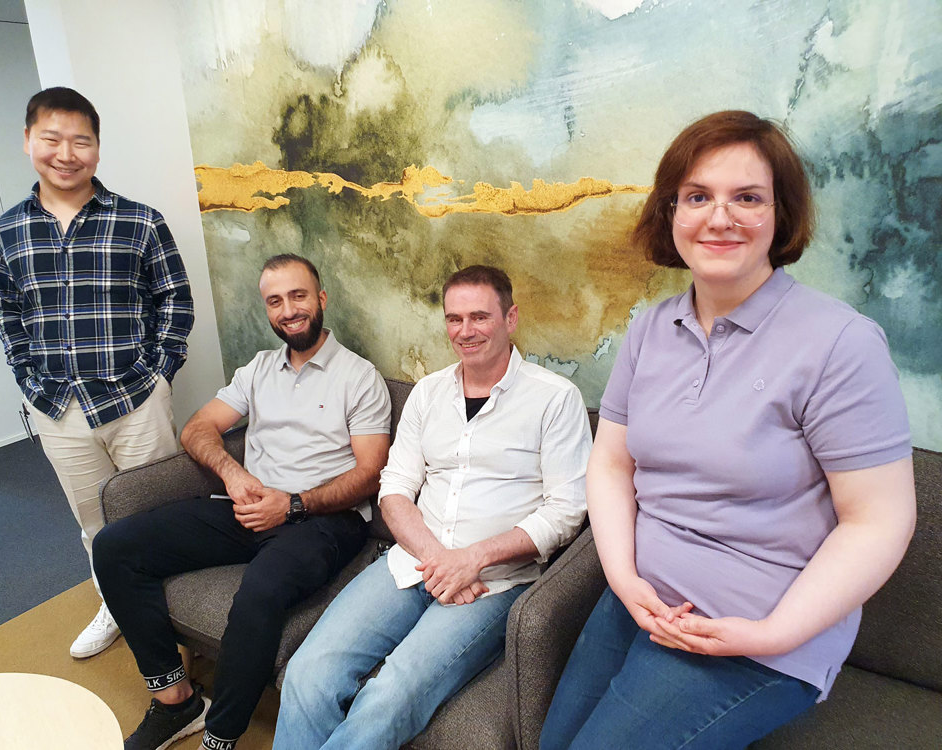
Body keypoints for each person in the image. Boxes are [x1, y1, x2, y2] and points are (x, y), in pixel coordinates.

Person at [540, 110, 916, 749]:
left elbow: (877, 520)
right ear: (670, 214)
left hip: (758, 629)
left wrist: (773, 632)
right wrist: (624, 578)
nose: (720, 218)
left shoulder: (840, 344)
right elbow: (611, 465)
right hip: (643, 599)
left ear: (781, 215)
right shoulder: (650, 329)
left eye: (747, 197)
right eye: (697, 197)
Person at [274, 265, 592, 750]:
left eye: (480, 317)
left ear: (511, 318)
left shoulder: (555, 399)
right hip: (410, 562)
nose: (466, 331)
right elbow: (395, 488)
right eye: (454, 319)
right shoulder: (428, 393)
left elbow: (567, 511)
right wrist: (440, 560)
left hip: (492, 583)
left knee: (392, 695)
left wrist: (471, 559)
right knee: (307, 672)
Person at [93, 253, 391, 750]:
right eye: (275, 301)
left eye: (298, 296)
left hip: (324, 521)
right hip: (247, 506)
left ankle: (220, 736)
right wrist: (233, 474)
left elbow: (369, 474)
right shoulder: (258, 370)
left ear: (320, 299)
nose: (288, 310)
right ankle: (176, 701)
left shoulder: (359, 377)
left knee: (259, 591)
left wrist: (292, 504)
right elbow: (198, 428)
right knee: (116, 546)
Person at [0, 86, 194, 659]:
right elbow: (8, 314)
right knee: (94, 524)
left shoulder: (140, 222)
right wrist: (30, 385)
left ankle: (180, 618)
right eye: (52, 138)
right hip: (56, 407)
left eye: (81, 140)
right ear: (29, 141)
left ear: (97, 148)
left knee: (161, 515)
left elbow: (175, 302)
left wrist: (158, 377)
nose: (66, 153)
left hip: (135, 398)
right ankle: (117, 606)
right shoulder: (7, 232)